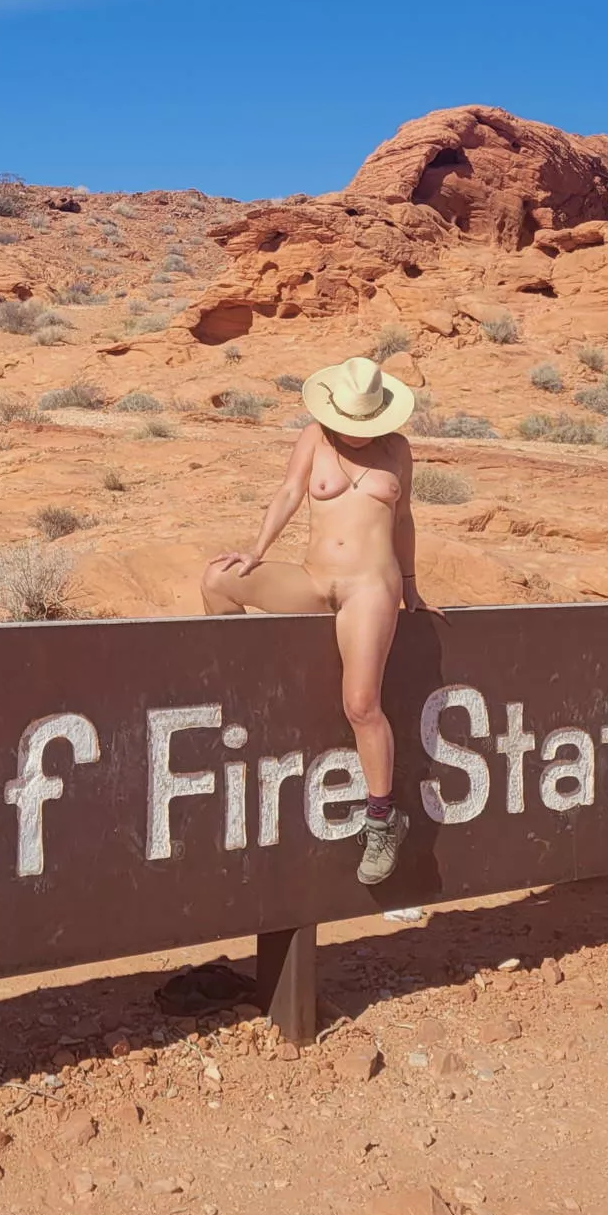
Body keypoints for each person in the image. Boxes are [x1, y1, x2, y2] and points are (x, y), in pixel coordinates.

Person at [199, 355, 436, 886]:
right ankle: (247, 687)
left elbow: (403, 518)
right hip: (313, 577)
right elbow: (288, 492)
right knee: (218, 579)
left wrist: (413, 587)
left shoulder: (398, 450)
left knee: (361, 705)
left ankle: (381, 820)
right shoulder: (314, 436)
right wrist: (255, 552)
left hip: (370, 587)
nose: (353, 435)